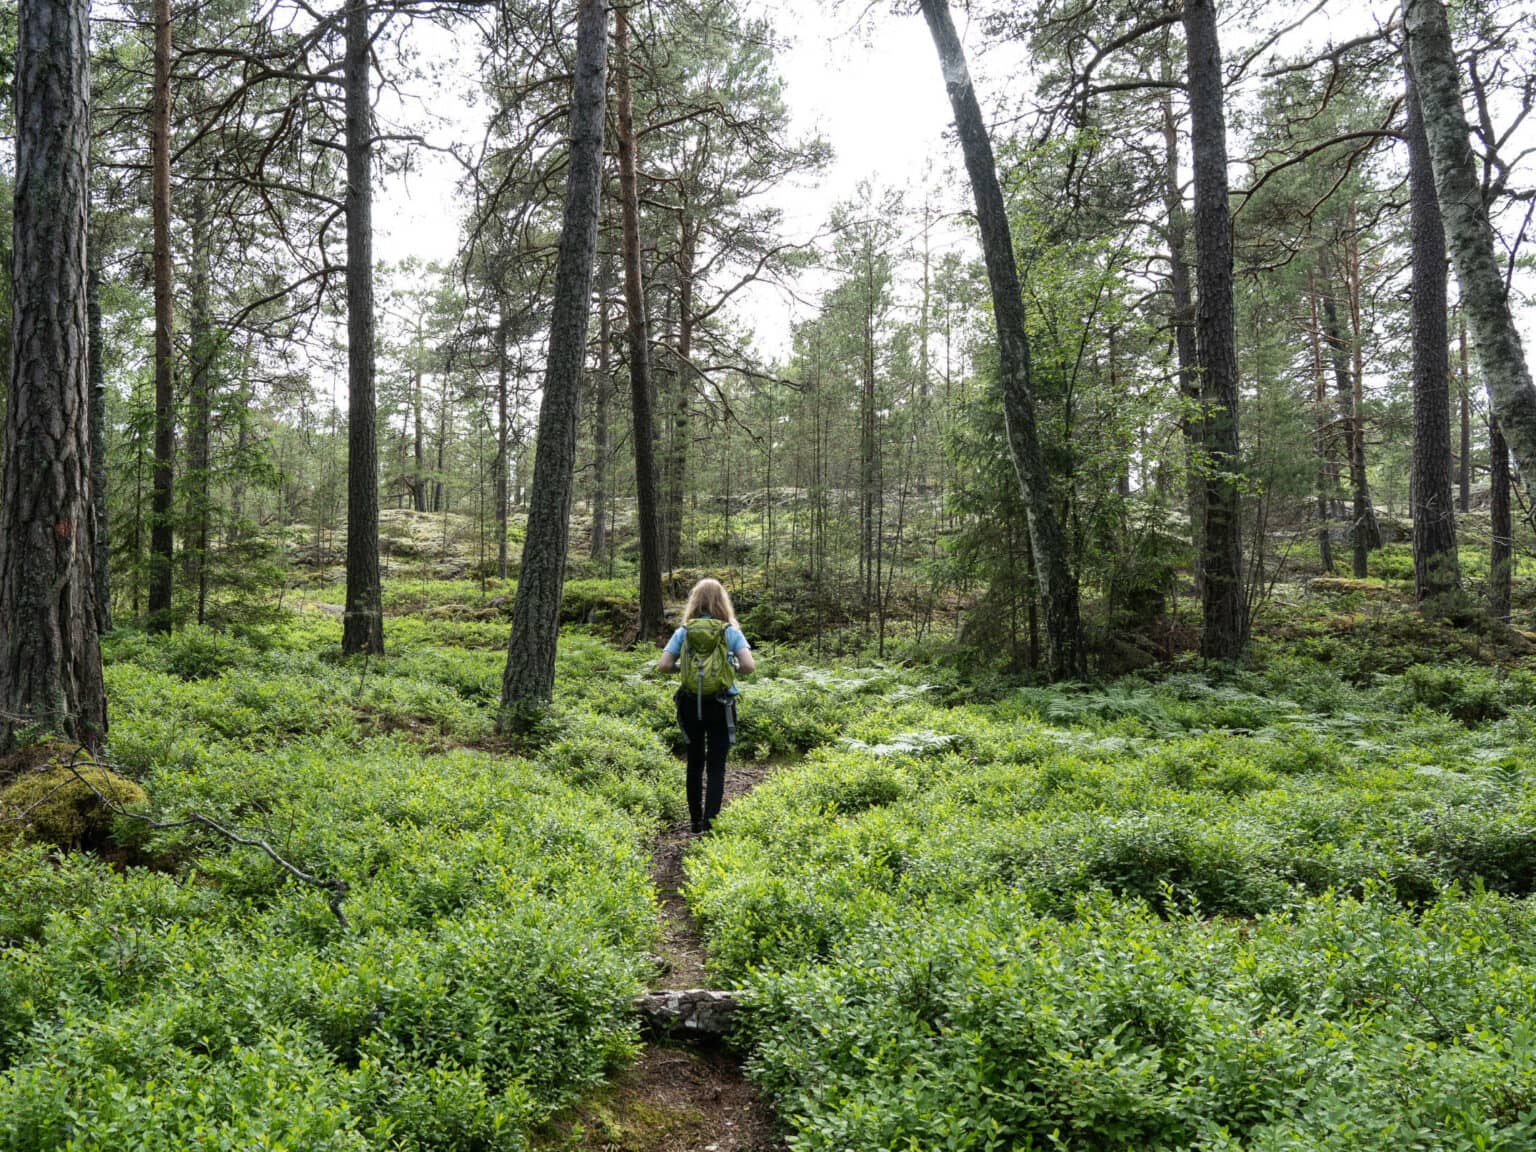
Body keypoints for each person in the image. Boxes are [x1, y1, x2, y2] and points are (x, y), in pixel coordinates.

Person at [656, 578, 755, 834]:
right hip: (721, 705)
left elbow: (664, 665)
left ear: (694, 602)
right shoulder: (729, 632)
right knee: (716, 766)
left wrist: (683, 668)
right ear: (722, 602)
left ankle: (695, 823)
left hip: (690, 704)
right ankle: (710, 825)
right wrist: (728, 667)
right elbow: (748, 666)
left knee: (694, 763)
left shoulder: (684, 631)